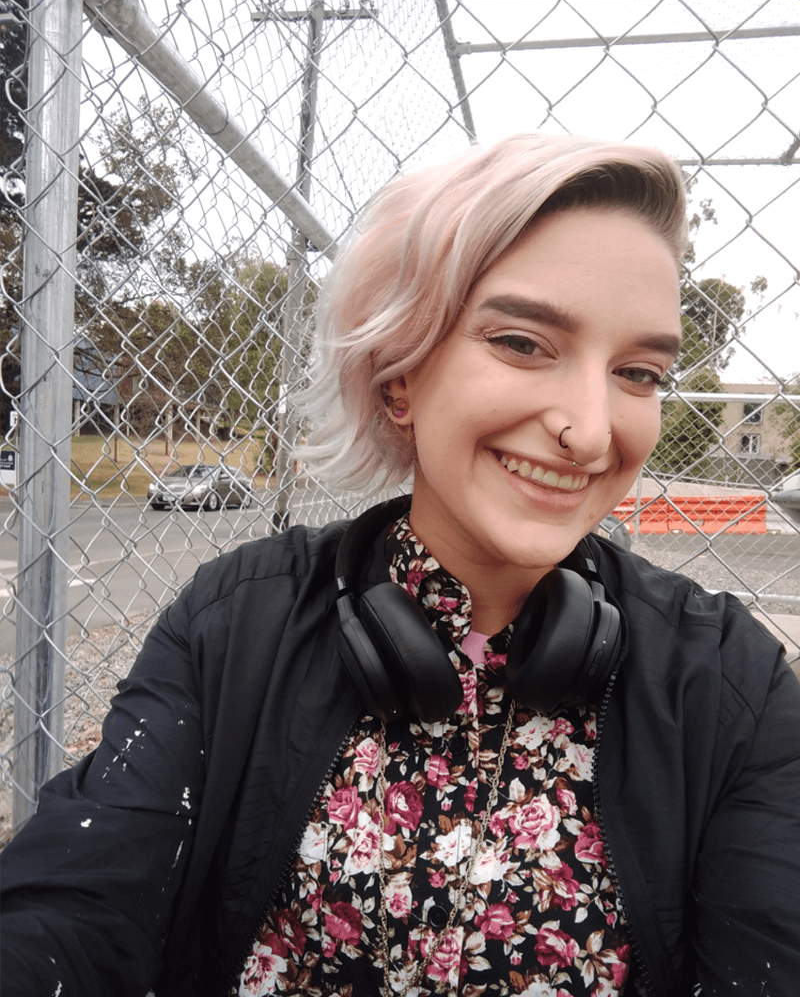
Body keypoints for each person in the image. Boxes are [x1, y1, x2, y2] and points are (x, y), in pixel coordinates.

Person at [2, 133, 799, 997]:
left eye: (638, 372)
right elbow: (77, 898)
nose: (592, 429)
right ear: (399, 378)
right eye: (524, 343)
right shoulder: (232, 622)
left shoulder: (734, 685)